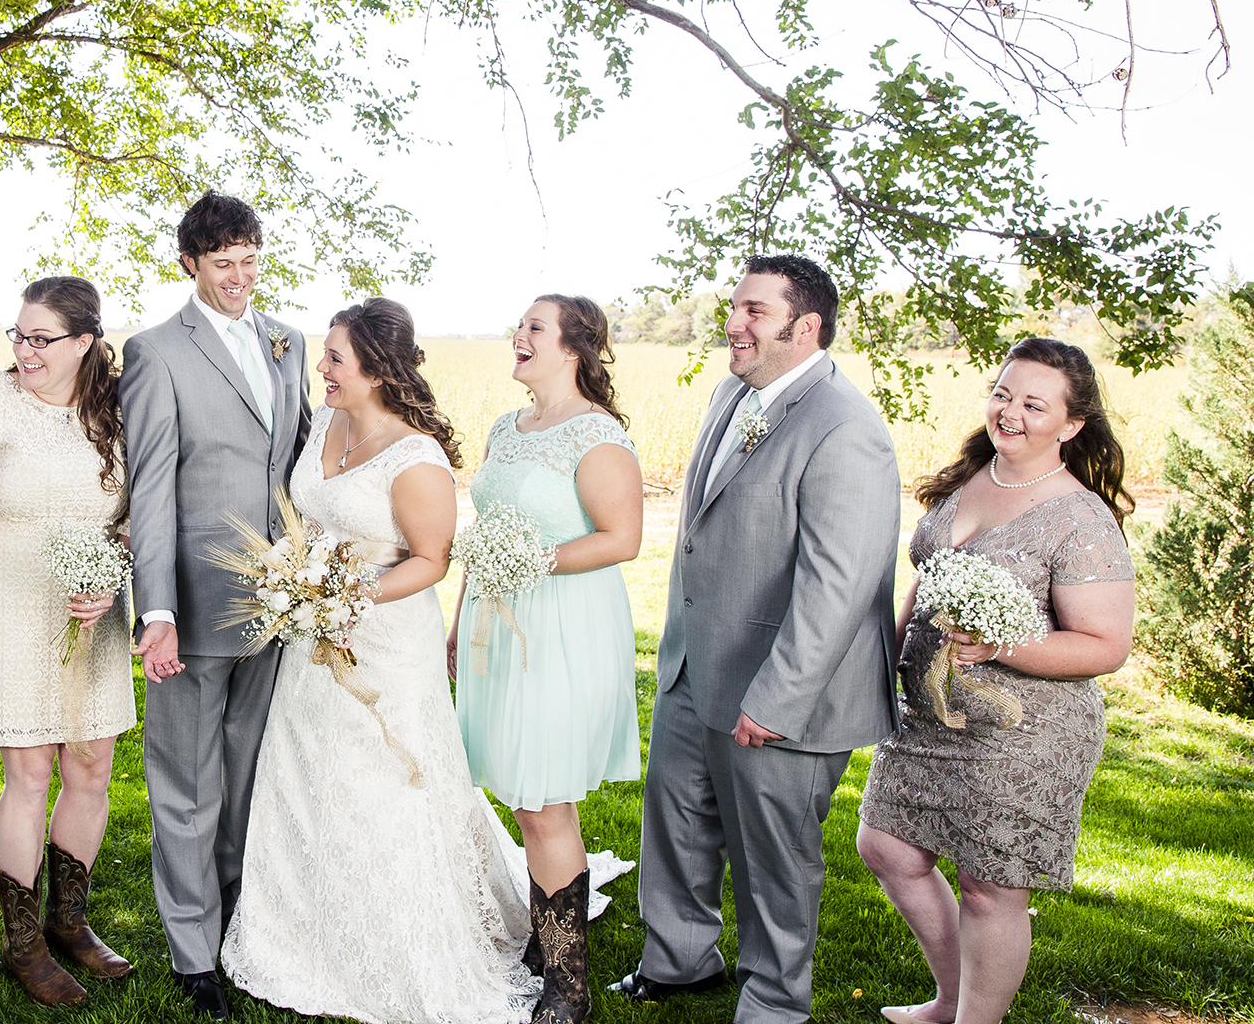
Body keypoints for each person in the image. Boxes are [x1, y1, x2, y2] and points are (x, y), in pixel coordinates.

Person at [222, 297, 539, 1023]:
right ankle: (298, 928)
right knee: (308, 774)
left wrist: (345, 597)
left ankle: (403, 936)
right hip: (312, 634)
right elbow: (310, 516)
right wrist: (302, 586)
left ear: (374, 367)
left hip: (386, 640)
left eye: (335, 358)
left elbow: (432, 559)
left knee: (385, 780)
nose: (321, 368)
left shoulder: (415, 456)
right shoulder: (325, 421)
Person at [617, 254, 901, 1024]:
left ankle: (775, 1000)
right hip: (694, 665)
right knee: (675, 823)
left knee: (774, 859)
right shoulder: (730, 393)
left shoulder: (847, 427)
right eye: (734, 307)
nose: (733, 324)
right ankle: (678, 960)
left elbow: (838, 585)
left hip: (781, 690)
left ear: (804, 326)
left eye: (753, 311)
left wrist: (777, 697)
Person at [856, 338, 1136, 1024]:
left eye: (1033, 404)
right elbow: (926, 579)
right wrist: (883, 663)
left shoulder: (1080, 517)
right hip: (928, 716)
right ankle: (953, 998)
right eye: (1003, 393)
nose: (1009, 412)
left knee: (991, 887)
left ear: (1071, 425)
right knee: (885, 843)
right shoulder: (972, 477)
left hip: (1022, 729)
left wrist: (1004, 642)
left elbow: (1106, 644)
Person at [119, 191, 312, 1022]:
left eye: (249, 260)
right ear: (189, 264)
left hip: (281, 603)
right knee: (186, 785)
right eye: (221, 262)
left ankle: (239, 924)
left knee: (249, 776)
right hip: (193, 606)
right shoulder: (156, 351)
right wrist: (153, 609)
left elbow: (299, 461)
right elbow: (150, 489)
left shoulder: (289, 342)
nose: (238, 277)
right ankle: (193, 947)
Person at [0, 276, 137, 1006]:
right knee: (28, 773)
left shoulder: (116, 409)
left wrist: (113, 571)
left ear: (85, 342)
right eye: (18, 335)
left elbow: (136, 513)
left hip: (93, 606)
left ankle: (69, 923)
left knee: (89, 767)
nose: (24, 350)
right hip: (8, 601)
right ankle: (22, 944)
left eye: (41, 338)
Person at [450, 295, 644, 1022]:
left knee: (542, 796)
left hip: (563, 624)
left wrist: (532, 561)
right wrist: (463, 613)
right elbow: (487, 526)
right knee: (519, 788)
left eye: (534, 327)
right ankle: (548, 937)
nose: (518, 336)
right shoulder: (508, 426)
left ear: (573, 347)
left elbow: (621, 537)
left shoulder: (595, 435)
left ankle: (568, 984)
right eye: (519, 325)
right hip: (496, 621)